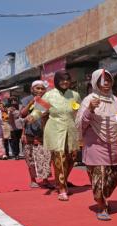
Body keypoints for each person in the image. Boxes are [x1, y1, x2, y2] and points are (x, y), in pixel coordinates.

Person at [76, 69, 117, 220]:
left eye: (108, 80)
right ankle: (102, 206)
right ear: (95, 83)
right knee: (99, 178)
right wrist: (90, 109)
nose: (106, 83)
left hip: (115, 145)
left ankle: (103, 197)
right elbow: (80, 124)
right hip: (95, 145)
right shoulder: (89, 99)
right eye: (102, 80)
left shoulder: (116, 100)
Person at [42, 70, 81, 201]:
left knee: (72, 158)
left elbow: (77, 111)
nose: (65, 82)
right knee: (59, 158)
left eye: (67, 79)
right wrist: (31, 117)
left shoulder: (74, 95)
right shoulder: (49, 95)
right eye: (62, 80)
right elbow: (38, 110)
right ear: (56, 81)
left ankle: (62, 181)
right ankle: (62, 188)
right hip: (55, 129)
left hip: (71, 129)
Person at [20, 80, 52, 188]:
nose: (40, 90)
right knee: (30, 159)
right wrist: (31, 103)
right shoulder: (26, 100)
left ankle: (45, 179)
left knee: (45, 157)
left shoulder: (47, 100)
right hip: (29, 133)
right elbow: (22, 114)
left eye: (42, 88)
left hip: (44, 133)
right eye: (37, 88)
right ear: (32, 89)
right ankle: (33, 180)